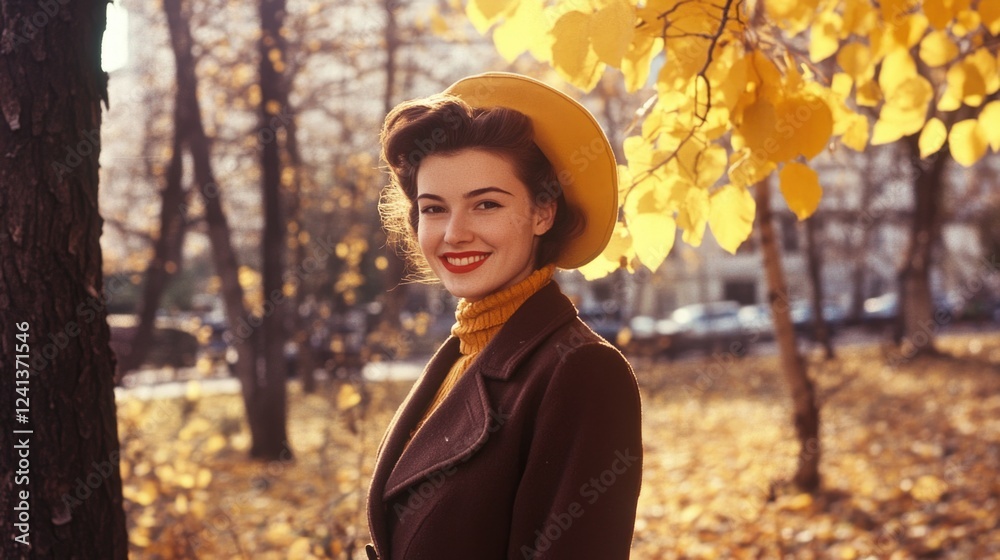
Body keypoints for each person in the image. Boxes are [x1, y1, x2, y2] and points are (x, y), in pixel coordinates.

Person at [365, 72, 643, 560]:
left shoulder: (580, 370)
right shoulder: (460, 353)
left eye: (486, 204)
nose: (454, 233)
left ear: (543, 213)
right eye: (433, 209)